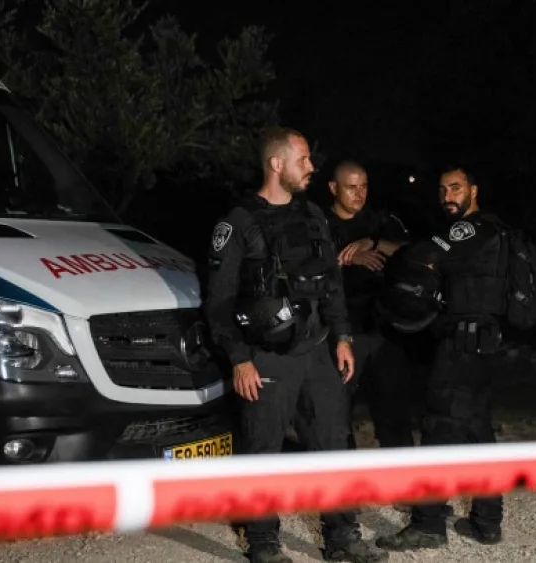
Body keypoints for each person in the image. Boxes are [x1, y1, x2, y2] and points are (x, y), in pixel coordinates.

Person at [202, 126, 388, 563]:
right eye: (304, 160)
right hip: (267, 356)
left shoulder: (313, 216)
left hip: (319, 350)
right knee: (263, 448)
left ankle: (342, 538)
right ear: (276, 164)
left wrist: (342, 335)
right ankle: (265, 544)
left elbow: (332, 283)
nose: (311, 167)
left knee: (332, 444)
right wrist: (239, 360)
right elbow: (219, 302)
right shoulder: (238, 224)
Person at [376, 164, 509, 551]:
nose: (447, 196)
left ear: (474, 190)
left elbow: (424, 252)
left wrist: (386, 247)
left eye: (456, 188)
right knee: (477, 430)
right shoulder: (496, 229)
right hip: (483, 345)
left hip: (462, 347)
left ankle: (428, 523)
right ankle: (487, 521)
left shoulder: (469, 228)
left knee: (437, 427)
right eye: (442, 190)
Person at [321, 160, 414, 450]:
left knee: (394, 412)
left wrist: (373, 243)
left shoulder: (380, 221)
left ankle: (404, 486)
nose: (359, 194)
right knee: (336, 413)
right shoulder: (319, 224)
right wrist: (347, 259)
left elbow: (415, 251)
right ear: (334, 188)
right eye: (351, 187)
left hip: (385, 330)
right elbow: (308, 269)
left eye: (364, 186)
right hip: (343, 333)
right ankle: (346, 486)